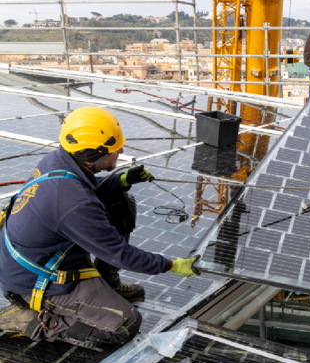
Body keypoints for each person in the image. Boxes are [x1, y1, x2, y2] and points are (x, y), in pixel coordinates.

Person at [0, 107, 200, 348]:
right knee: (125, 324)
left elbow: (82, 190)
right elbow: (120, 253)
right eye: (115, 149)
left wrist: (121, 181)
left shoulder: (60, 159)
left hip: (45, 254)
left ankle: (108, 282)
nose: (121, 151)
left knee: (121, 202)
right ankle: (29, 321)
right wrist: (170, 265)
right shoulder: (72, 202)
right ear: (94, 154)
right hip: (36, 279)